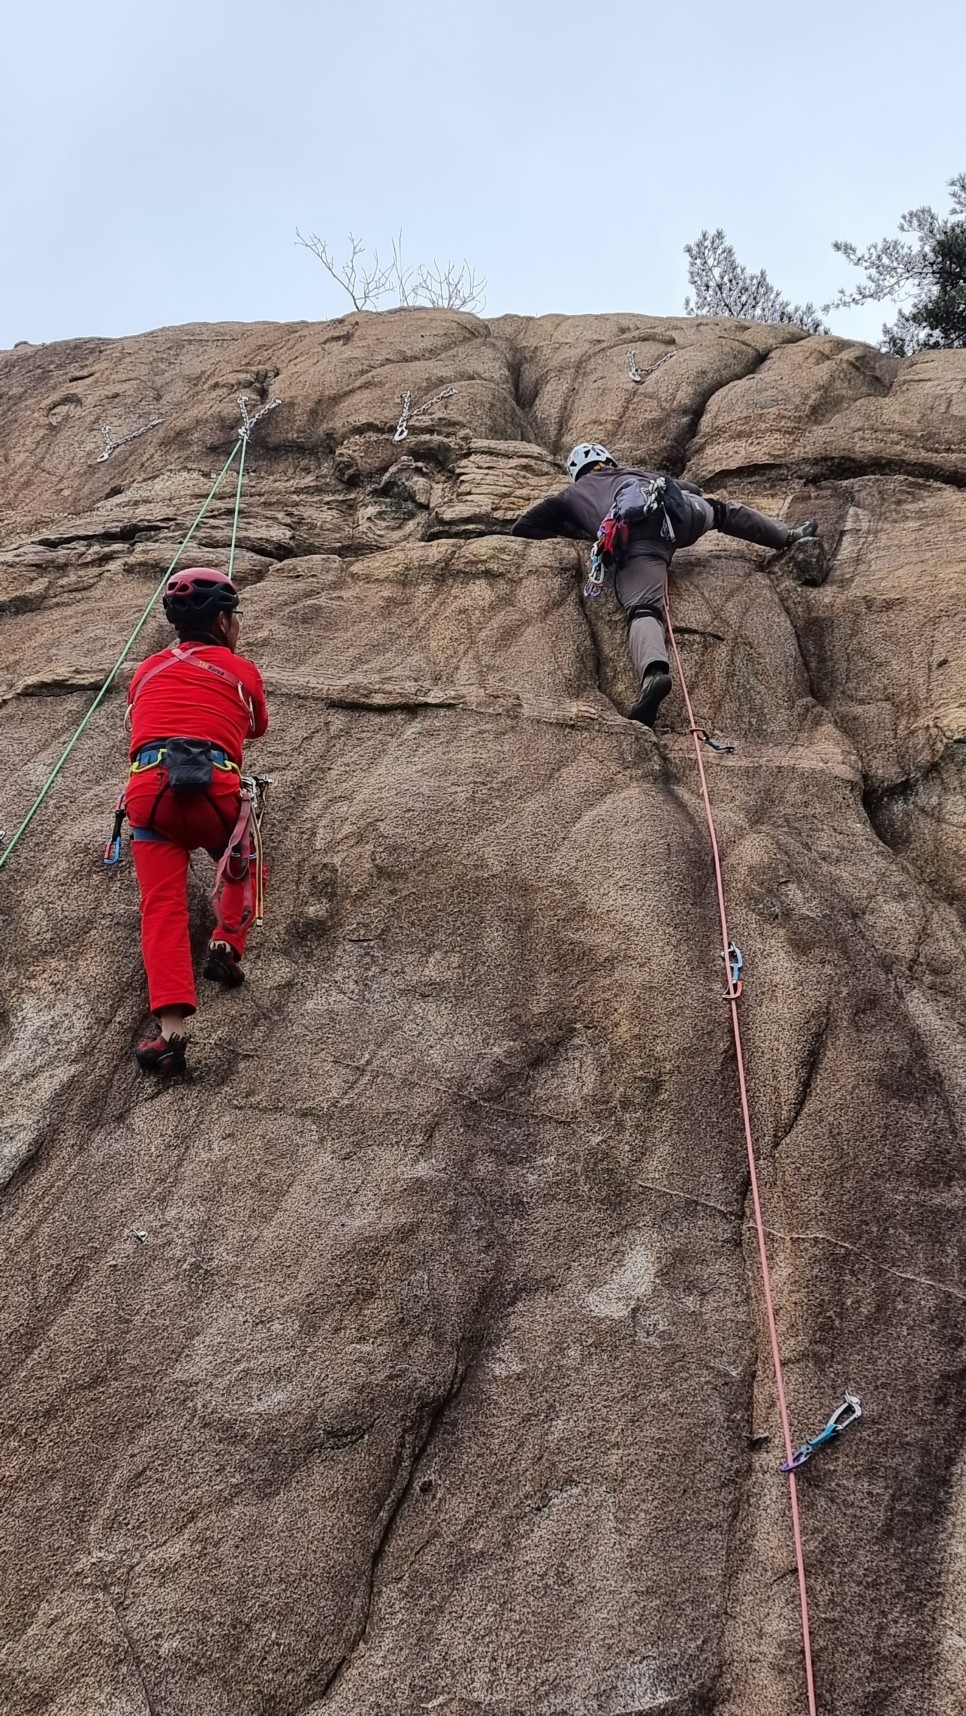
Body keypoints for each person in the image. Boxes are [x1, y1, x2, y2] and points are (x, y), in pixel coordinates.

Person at [511, 442, 818, 726]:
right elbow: (692, 488)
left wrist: (580, 533)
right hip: (681, 514)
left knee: (644, 610)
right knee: (723, 511)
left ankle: (654, 674)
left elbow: (523, 527)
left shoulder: (569, 496)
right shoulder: (634, 472)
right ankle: (789, 536)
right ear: (607, 460)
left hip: (638, 538)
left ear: (577, 474)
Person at [123, 567, 268, 1074]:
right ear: (225, 620)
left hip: (148, 794)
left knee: (160, 909)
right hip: (213, 789)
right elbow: (257, 726)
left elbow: (136, 719)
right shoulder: (242, 669)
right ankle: (227, 946)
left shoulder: (145, 669)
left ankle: (170, 1035)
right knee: (243, 865)